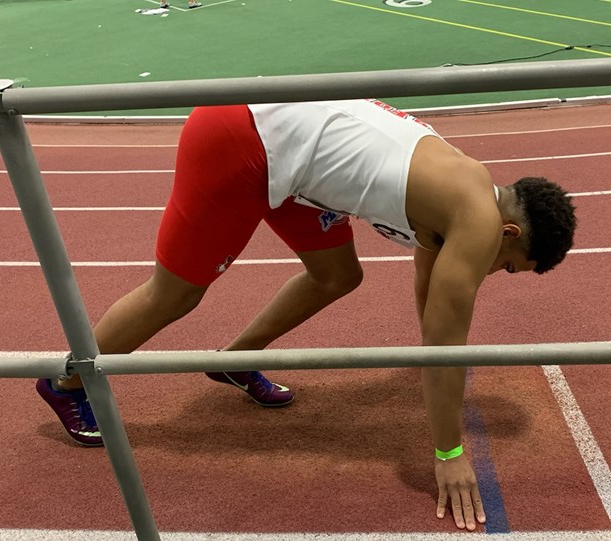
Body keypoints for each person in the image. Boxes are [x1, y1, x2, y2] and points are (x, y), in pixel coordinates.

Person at [36, 99, 577, 531]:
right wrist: (450, 451)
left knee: (338, 274)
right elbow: (442, 342)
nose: (496, 271)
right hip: (239, 139)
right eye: (509, 267)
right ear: (509, 234)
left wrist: (436, 364)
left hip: (289, 155)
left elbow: (430, 310)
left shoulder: (465, 190)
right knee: (175, 293)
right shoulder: (478, 221)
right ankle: (67, 381)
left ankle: (236, 359)